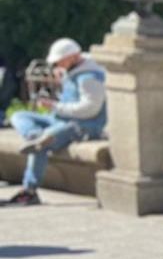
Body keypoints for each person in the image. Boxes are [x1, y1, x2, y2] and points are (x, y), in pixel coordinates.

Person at [5, 38, 107, 207]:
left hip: (83, 126)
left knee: (43, 143)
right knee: (20, 116)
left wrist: (57, 106)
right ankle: (35, 136)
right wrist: (54, 103)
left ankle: (29, 190)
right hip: (59, 120)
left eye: (60, 60)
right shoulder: (72, 71)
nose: (57, 64)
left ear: (73, 57)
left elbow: (90, 109)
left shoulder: (89, 77)